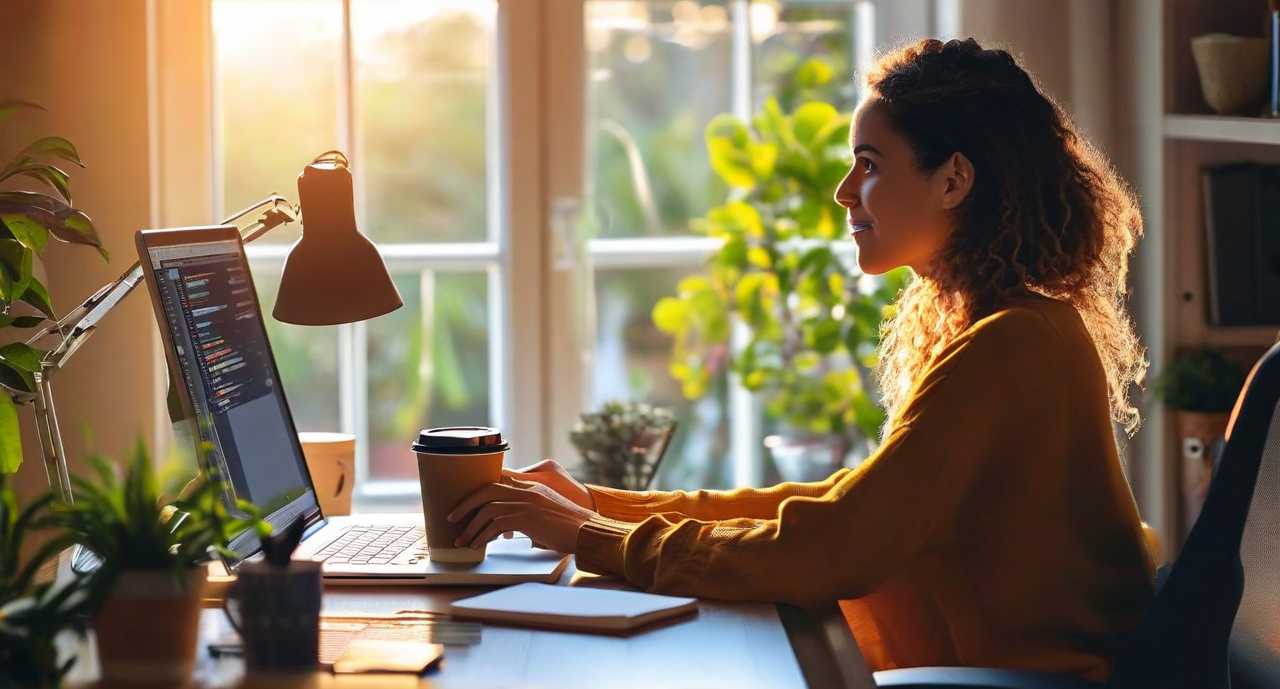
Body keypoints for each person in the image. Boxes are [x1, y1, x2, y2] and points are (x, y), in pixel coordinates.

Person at [448, 37, 1157, 681]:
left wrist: (590, 535)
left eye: (869, 165)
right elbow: (835, 506)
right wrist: (596, 505)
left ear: (953, 180)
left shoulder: (1011, 345)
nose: (845, 192)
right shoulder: (1015, 328)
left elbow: (834, 546)